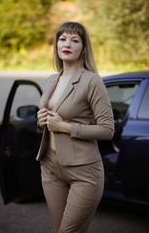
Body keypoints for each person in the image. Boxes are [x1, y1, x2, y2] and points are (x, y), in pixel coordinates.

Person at [37, 22, 114, 233]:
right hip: (50, 167)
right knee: (58, 229)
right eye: (62, 39)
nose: (67, 44)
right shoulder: (52, 80)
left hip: (84, 171)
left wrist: (65, 127)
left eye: (74, 40)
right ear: (56, 45)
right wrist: (41, 120)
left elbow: (107, 130)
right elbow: (49, 119)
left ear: (83, 46)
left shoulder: (92, 81)